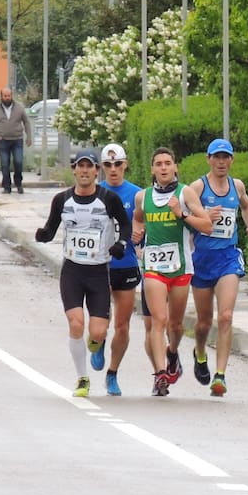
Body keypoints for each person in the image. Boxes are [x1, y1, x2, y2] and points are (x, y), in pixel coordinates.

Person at [34, 149, 131, 398]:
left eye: (90, 167)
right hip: (72, 271)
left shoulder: (108, 199)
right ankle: (82, 378)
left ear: (96, 170)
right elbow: (51, 226)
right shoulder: (61, 199)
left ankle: (96, 345)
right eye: (81, 166)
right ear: (74, 169)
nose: (85, 171)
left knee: (97, 332)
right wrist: (43, 235)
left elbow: (126, 225)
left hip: (99, 272)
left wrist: (120, 244)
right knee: (76, 323)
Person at [130, 147, 213, 397]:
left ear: (175, 167)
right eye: (159, 164)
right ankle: (160, 376)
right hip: (154, 267)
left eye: (168, 163)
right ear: (152, 169)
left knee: (175, 326)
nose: (164, 168)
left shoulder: (185, 193)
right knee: (159, 320)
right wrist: (137, 238)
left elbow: (207, 225)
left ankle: (173, 353)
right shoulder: (142, 197)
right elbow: (137, 219)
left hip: (180, 268)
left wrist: (182, 214)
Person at [184, 138, 248, 397]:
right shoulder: (197, 187)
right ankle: (201, 352)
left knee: (225, 316)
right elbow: (182, 219)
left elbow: (247, 206)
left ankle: (220, 376)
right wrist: (204, 219)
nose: (221, 162)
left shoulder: (236, 186)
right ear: (208, 159)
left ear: (231, 160)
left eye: (225, 157)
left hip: (228, 257)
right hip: (203, 258)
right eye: (216, 157)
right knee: (204, 323)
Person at [98, 143, 144, 396]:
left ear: (125, 164)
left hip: (126, 265)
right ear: (101, 167)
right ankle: (98, 340)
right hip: (99, 265)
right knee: (101, 320)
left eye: (118, 164)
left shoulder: (137, 195)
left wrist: (142, 237)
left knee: (123, 326)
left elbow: (148, 225)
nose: (113, 170)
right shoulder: (94, 192)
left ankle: (113, 372)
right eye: (108, 165)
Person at [0, 88, 32, 194]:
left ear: (12, 96)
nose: (7, 98)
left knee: (18, 162)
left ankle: (18, 184)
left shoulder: (19, 107)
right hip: (3, 141)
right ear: (1, 97)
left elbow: (26, 122)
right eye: (5, 96)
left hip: (17, 140)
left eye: (9, 96)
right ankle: (7, 187)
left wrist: (28, 136)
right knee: (4, 164)